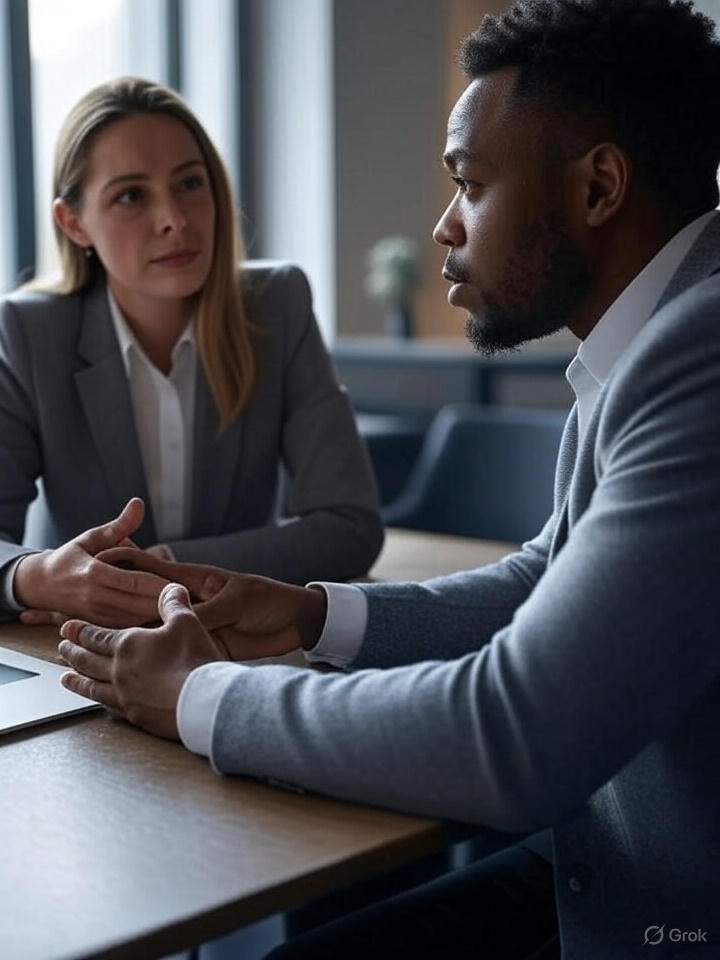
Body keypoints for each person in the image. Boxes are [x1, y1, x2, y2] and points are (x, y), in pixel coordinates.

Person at [59, 1, 720, 957]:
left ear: (601, 186)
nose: (446, 225)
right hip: (612, 861)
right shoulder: (645, 341)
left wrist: (203, 695)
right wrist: (311, 616)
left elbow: (516, 733)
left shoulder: (697, 355)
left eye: (472, 184)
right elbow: (548, 578)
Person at [0, 77, 383, 627]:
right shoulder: (30, 331)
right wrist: (36, 576)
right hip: (77, 641)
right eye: (131, 195)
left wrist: (164, 569)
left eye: (190, 184)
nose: (174, 219)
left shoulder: (277, 304)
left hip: (229, 640)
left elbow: (350, 525)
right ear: (74, 223)